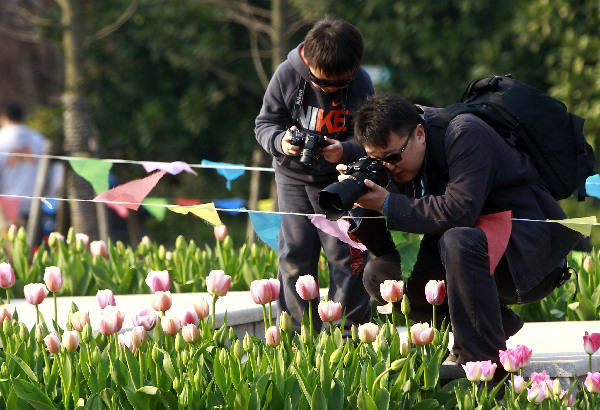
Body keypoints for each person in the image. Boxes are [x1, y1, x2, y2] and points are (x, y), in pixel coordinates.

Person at [343, 93, 582, 378]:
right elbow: (387, 246)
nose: (389, 167)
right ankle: (496, 323)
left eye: (393, 157)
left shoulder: (464, 134)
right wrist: (361, 206)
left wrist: (386, 203)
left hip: (527, 258)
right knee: (381, 273)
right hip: (470, 257)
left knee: (459, 238)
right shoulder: (396, 163)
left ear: (419, 133)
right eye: (378, 161)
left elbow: (460, 211)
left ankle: (482, 366)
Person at [255, 17, 375, 333]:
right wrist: (281, 142)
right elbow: (264, 125)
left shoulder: (361, 83)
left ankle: (349, 331)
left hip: (341, 180)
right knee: (295, 255)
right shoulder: (287, 76)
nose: (332, 89)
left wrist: (345, 151)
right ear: (307, 60)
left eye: (341, 84)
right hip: (293, 177)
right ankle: (300, 333)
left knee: (347, 255)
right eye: (324, 83)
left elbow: (369, 139)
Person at [0, 103, 48, 226]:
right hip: (35, 200)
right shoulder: (39, 138)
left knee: (10, 243)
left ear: (4, 117)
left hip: (7, 202)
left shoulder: (2, 138)